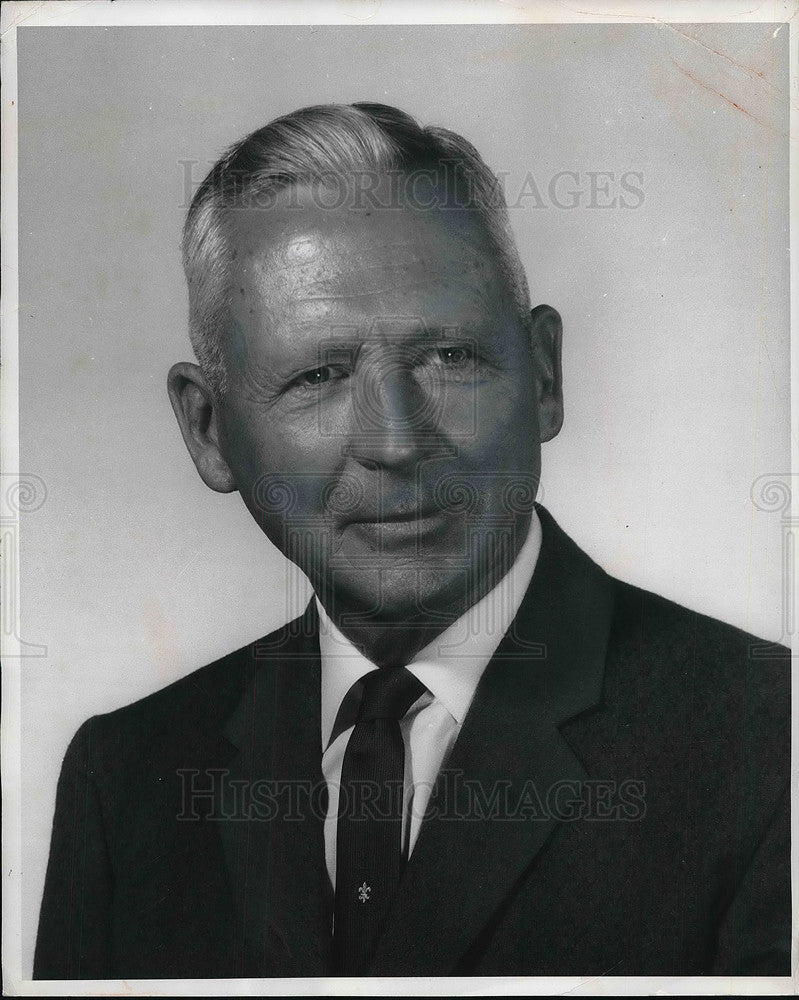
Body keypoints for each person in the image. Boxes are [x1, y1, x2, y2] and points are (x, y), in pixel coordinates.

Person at [34, 103, 790, 979]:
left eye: (448, 358)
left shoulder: (769, 746)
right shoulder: (123, 776)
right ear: (207, 429)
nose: (393, 440)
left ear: (543, 375)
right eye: (318, 375)